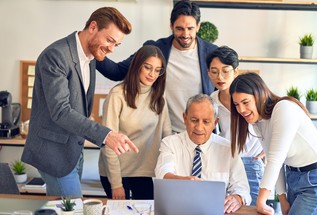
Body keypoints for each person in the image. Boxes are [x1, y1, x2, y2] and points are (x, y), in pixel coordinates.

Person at [21, 7, 138, 197]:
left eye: (116, 44)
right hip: (54, 153)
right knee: (73, 214)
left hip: (73, 151)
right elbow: (61, 111)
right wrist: (107, 135)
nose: (111, 49)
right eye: (109, 40)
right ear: (93, 27)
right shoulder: (56, 56)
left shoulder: (91, 56)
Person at [229, 72, 317, 215]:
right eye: (237, 104)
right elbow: (273, 159)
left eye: (245, 102)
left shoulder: (283, 109)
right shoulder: (258, 122)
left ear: (259, 95)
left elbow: (276, 159)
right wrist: (282, 198)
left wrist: (261, 201)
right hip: (295, 178)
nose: (241, 110)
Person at [96, 0, 217, 133]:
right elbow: (117, 72)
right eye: (179, 28)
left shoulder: (211, 53)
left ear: (198, 26)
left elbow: (221, 93)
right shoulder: (156, 49)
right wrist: (92, 51)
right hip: (164, 133)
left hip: (201, 133)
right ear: (171, 26)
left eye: (190, 28)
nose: (185, 34)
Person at [155, 94, 251, 213]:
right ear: (184, 118)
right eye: (194, 120)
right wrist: (183, 181)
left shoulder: (228, 149)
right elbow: (162, 173)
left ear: (215, 123)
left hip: (216, 214)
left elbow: (242, 189)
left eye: (206, 122)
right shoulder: (169, 143)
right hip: (177, 210)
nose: (199, 128)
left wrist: (237, 198)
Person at [98, 45, 172, 200]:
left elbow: (167, 135)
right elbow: (108, 142)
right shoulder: (117, 95)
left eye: (158, 70)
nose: (152, 74)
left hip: (143, 172)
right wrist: (116, 184)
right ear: (137, 66)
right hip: (116, 173)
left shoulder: (158, 96)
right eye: (148, 68)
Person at [206, 46, 264, 206]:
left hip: (250, 163)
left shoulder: (249, 94)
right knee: (228, 212)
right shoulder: (212, 100)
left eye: (226, 71)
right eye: (214, 71)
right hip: (226, 164)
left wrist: (268, 147)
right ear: (208, 73)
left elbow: (272, 118)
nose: (220, 76)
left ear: (236, 71)